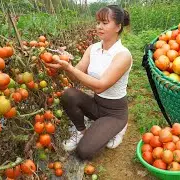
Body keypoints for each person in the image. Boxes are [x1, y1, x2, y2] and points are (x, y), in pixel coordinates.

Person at [45, 5, 132, 160]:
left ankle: (119, 128)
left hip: (115, 113)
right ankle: (81, 131)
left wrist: (70, 67)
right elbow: (73, 78)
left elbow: (100, 87)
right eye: (98, 22)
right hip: (97, 105)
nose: (99, 26)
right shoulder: (93, 49)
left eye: (105, 23)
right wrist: (64, 62)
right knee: (68, 94)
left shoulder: (123, 55)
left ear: (118, 27)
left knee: (84, 152)